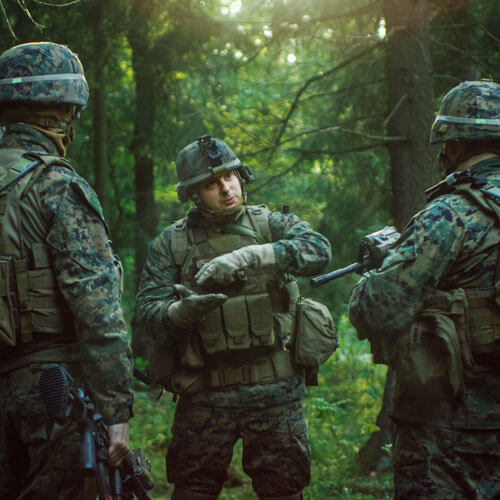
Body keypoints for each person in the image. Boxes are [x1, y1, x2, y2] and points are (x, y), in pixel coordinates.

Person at [137, 135, 331, 500]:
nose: (226, 188)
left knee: (285, 490)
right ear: (194, 193)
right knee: (193, 489)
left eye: (229, 176)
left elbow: (319, 250)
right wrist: (179, 313)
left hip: (275, 392)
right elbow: (148, 312)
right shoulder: (172, 243)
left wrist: (254, 256)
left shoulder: (270, 224)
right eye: (212, 184)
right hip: (205, 397)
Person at [349, 80, 500, 499]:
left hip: (451, 431)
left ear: (451, 144)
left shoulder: (449, 214)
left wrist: (381, 270)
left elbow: (375, 309)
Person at [0, 42, 134, 499]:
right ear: (64, 109)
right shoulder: (55, 184)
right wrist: (117, 410)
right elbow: (97, 309)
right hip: (51, 389)